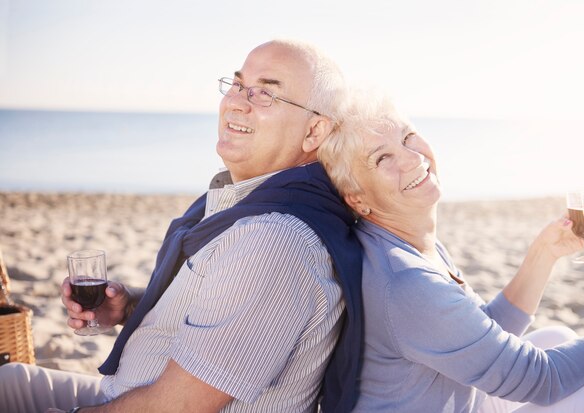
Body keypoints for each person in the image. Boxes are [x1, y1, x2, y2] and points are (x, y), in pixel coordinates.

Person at [0, 39, 363, 413]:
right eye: (238, 85)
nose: (236, 102)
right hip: (125, 391)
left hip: (153, 404)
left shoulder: (276, 242)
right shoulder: (243, 205)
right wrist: (130, 308)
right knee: (10, 382)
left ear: (314, 132)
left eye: (266, 94)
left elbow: (178, 405)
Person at [317, 89, 584, 412]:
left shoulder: (408, 241)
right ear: (357, 199)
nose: (412, 158)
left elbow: (483, 329)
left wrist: (544, 252)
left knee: (557, 337)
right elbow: (541, 380)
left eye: (408, 136)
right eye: (382, 158)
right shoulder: (404, 280)